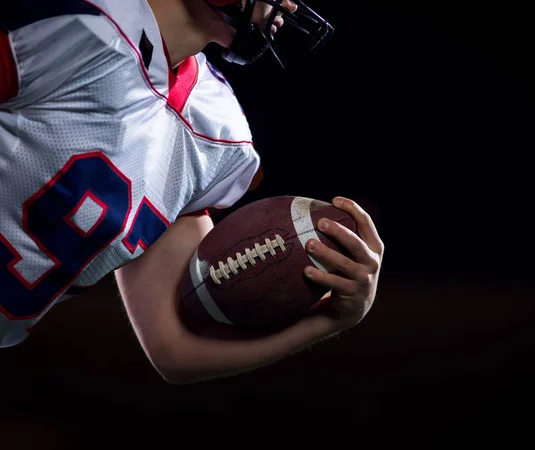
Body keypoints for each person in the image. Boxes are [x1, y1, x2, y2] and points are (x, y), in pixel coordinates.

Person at [0, 0, 384, 383]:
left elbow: (174, 344)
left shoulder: (215, 123)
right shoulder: (77, 23)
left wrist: (332, 317)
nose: (288, 5)